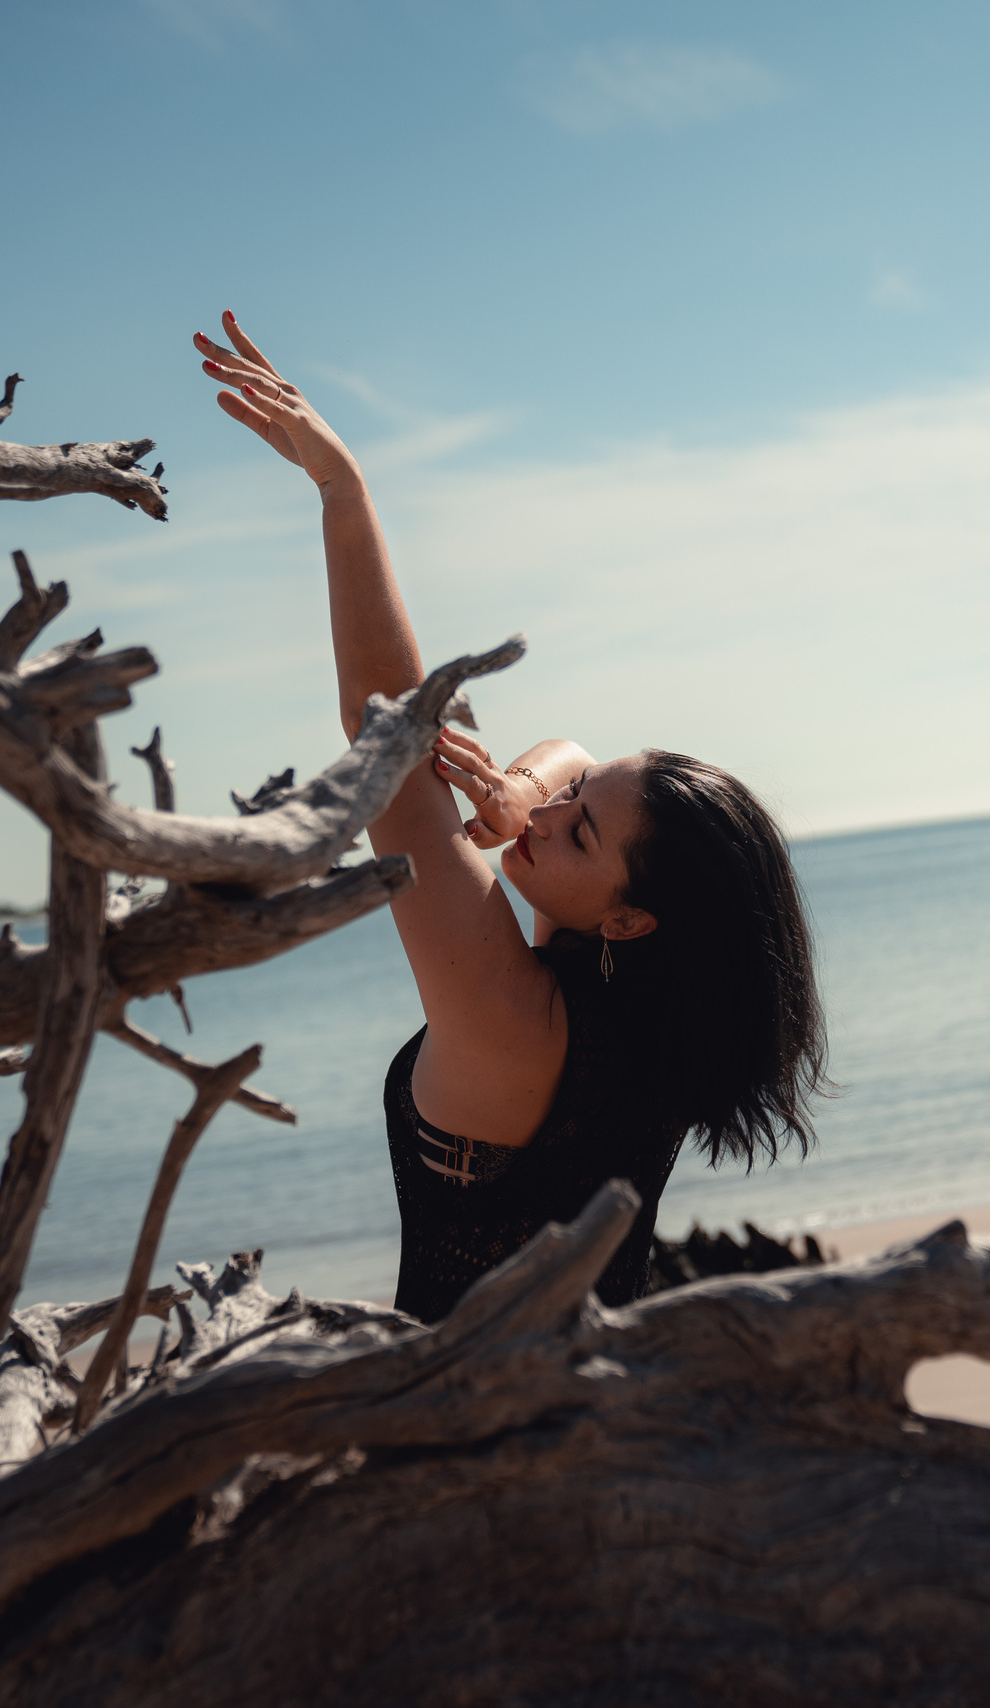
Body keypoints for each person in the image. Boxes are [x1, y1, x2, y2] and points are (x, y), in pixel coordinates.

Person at [192, 312, 829, 1321]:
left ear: (627, 918)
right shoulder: (637, 1008)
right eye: (574, 803)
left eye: (580, 832)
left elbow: (389, 756)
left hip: (470, 1452)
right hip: (584, 1424)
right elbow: (572, 749)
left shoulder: (516, 1018)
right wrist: (522, 797)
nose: (557, 813)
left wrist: (342, 492)